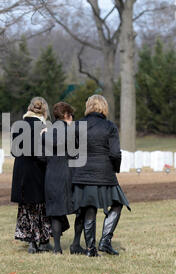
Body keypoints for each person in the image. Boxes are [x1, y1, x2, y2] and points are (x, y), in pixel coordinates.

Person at [72, 95, 131, 257]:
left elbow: (71, 151)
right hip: (104, 172)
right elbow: (115, 153)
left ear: (88, 107)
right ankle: (105, 241)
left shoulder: (77, 125)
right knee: (118, 204)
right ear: (104, 108)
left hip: (82, 173)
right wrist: (115, 169)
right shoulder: (109, 126)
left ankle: (91, 249)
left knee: (89, 208)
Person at [11, 97, 53, 254]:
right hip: (37, 169)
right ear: (44, 111)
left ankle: (31, 241)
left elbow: (14, 151)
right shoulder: (43, 127)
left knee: (27, 206)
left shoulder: (18, 126)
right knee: (40, 205)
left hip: (22, 170)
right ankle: (42, 240)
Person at [41, 102, 81, 254]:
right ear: (66, 115)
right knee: (80, 210)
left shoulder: (46, 133)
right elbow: (76, 154)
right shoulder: (72, 132)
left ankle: (57, 247)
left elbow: (41, 157)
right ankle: (76, 243)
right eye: (72, 115)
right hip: (70, 174)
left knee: (56, 212)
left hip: (51, 174)